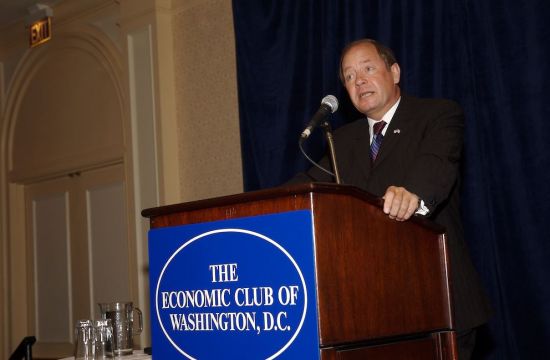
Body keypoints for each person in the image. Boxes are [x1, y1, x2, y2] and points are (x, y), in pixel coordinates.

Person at [295, 39, 491, 359]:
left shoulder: (437, 114)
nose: (358, 81)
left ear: (395, 72)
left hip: (438, 300)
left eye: (368, 69)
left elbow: (436, 165)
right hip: (368, 312)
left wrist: (412, 194)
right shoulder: (341, 141)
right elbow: (306, 185)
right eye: (348, 76)